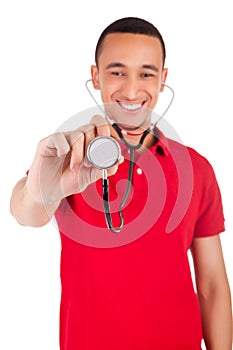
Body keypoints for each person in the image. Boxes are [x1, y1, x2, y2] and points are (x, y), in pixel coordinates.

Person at [10, 17, 232, 349]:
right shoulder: (69, 157)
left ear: (162, 80)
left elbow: (213, 284)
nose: (131, 90)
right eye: (117, 72)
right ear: (95, 76)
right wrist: (49, 185)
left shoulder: (196, 169)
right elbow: (26, 213)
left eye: (146, 73)